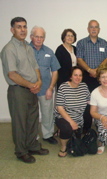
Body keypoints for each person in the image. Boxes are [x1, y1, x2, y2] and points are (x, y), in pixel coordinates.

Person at [1, 17, 49, 163]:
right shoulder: (9, 49)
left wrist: (39, 81)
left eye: (24, 27)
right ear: (12, 30)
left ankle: (32, 145)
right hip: (19, 91)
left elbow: (35, 67)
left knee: (32, 120)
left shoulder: (28, 47)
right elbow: (12, 74)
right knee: (20, 123)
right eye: (18, 27)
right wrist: (31, 85)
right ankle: (21, 151)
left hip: (32, 89)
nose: (22, 30)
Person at [76, 20, 107, 132]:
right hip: (86, 77)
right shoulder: (81, 43)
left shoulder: (104, 43)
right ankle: (86, 127)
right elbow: (79, 59)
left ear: (99, 29)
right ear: (88, 29)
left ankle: (100, 125)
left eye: (96, 27)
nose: (94, 29)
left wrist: (98, 70)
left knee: (101, 101)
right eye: (91, 27)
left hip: (101, 78)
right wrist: (90, 70)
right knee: (87, 102)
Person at [30, 26, 61, 144]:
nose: (39, 39)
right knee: (31, 115)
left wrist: (51, 87)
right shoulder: (25, 50)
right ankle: (32, 136)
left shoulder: (49, 52)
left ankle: (47, 135)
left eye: (41, 37)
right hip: (29, 89)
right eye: (36, 36)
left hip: (45, 89)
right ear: (31, 37)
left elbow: (55, 71)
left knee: (47, 112)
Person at [55, 66, 90, 157]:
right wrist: (71, 122)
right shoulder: (63, 87)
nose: (78, 77)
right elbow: (60, 108)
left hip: (78, 119)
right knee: (67, 129)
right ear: (71, 76)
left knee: (76, 141)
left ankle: (63, 132)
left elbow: (90, 101)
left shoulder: (84, 86)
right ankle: (63, 147)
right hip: (63, 117)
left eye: (80, 75)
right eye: (75, 75)